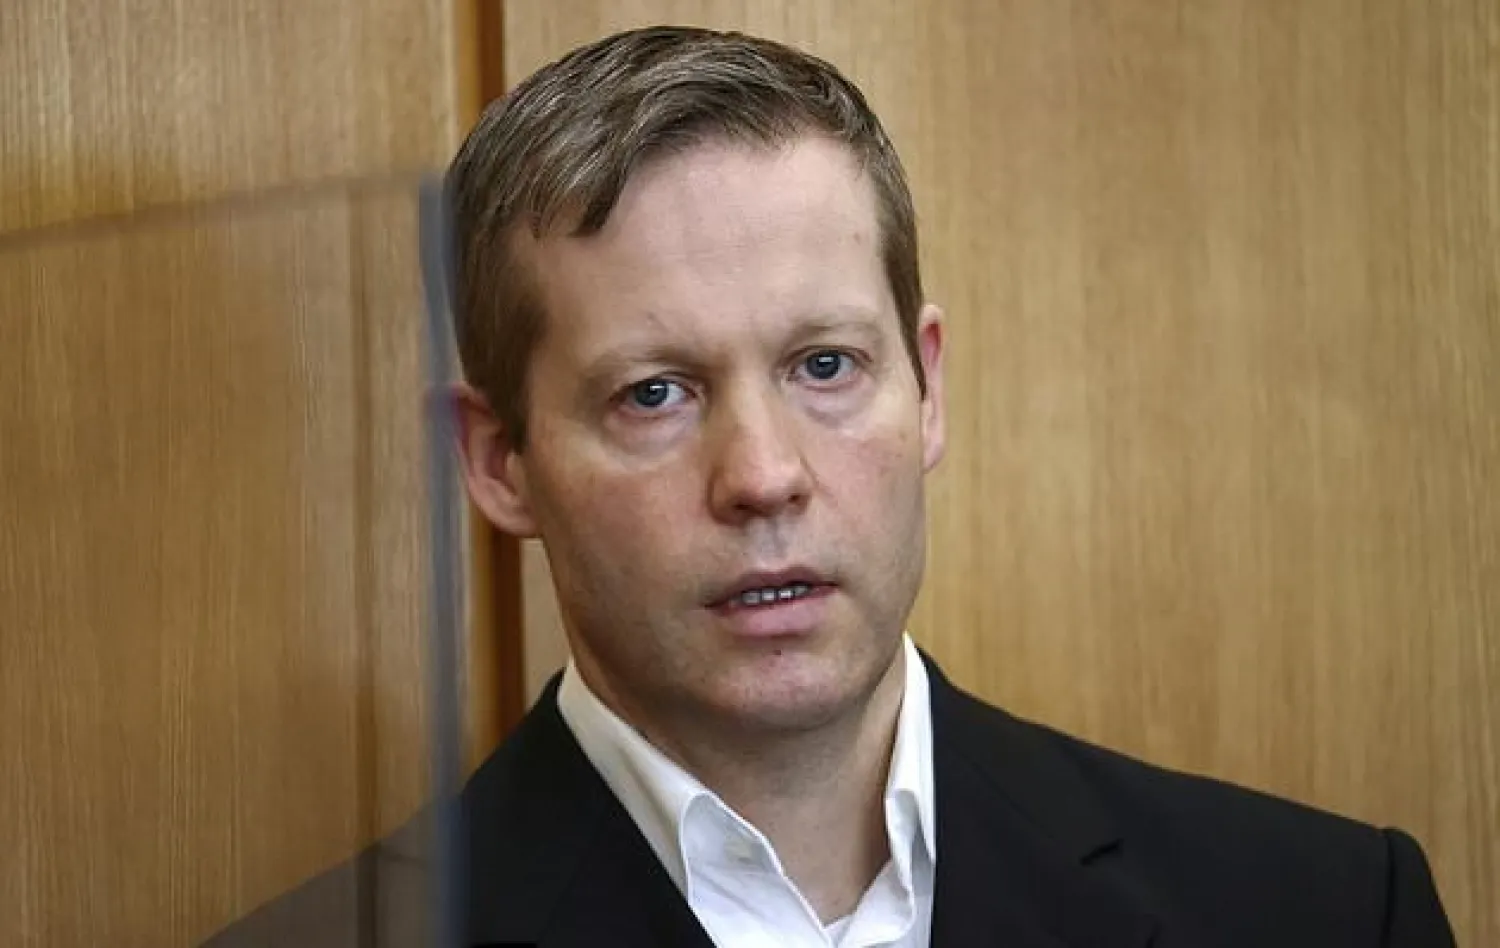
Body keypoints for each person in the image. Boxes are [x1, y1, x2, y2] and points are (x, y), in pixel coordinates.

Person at [205, 23, 1457, 948]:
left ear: (927, 388)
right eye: (655, 393)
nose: (763, 478)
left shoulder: (1330, 911)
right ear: (499, 462)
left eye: (824, 365)